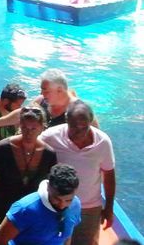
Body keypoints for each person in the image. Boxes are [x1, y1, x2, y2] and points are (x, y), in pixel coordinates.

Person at [40, 100, 115, 245]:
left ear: (90, 122)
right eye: (74, 127)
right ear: (66, 120)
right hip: (56, 205)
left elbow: (109, 175)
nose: (79, 132)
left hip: (89, 207)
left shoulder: (103, 142)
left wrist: (109, 208)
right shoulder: (50, 137)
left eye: (84, 127)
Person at [0, 105, 57, 235]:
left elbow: (50, 189)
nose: (29, 132)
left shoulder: (49, 154)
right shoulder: (3, 148)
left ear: (42, 128)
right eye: (25, 128)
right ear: (20, 126)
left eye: (33, 128)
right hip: (0, 212)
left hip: (31, 215)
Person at [0, 70, 96, 135]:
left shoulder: (81, 111)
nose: (42, 93)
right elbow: (23, 114)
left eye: (46, 90)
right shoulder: (41, 101)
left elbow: (97, 138)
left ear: (60, 90)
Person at [0, 163, 81, 245]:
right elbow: (0, 240)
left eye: (68, 200)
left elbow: (67, 237)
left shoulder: (75, 205)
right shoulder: (24, 208)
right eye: (57, 199)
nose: (62, 205)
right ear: (48, 187)